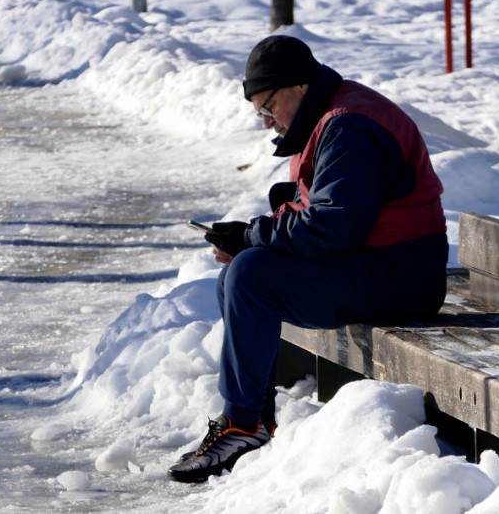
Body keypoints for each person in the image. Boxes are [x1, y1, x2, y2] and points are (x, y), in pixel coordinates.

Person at [167, 36, 448, 483]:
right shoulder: (329, 114)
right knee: (239, 274)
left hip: (402, 275)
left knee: (252, 274)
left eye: (267, 106)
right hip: (384, 265)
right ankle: (253, 420)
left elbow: (334, 224)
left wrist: (254, 236)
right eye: (258, 110)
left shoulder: (347, 125)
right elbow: (319, 212)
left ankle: (243, 423)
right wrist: (251, 236)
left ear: (298, 86)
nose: (265, 122)